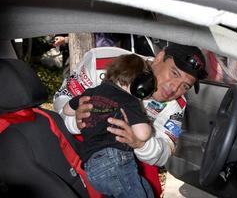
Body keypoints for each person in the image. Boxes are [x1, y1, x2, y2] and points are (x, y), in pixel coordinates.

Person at [53, 42, 207, 197]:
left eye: (185, 86)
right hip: (78, 144)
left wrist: (140, 143)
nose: (174, 89)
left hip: (127, 156)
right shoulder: (101, 61)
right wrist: (76, 121)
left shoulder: (176, 105)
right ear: (160, 57)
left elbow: (164, 153)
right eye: (174, 73)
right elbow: (61, 99)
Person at [63, 54, 155, 198]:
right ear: (140, 82)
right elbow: (142, 134)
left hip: (91, 166)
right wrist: (149, 125)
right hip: (115, 161)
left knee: (145, 190)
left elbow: (66, 109)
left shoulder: (92, 92)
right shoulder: (129, 99)